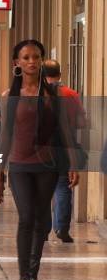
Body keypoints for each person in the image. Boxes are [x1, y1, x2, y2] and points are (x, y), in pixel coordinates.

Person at [0, 39, 79, 280]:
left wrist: (73, 165)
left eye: (36, 57)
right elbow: (5, 135)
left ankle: (33, 274)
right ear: (16, 63)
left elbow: (65, 131)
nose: (32, 62)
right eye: (27, 57)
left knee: (42, 220)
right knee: (27, 217)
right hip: (19, 165)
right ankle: (23, 276)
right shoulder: (10, 97)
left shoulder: (54, 96)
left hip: (48, 166)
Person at [43, 59, 87, 243]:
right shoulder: (71, 94)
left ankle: (42, 230)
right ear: (60, 75)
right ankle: (62, 228)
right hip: (64, 146)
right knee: (63, 187)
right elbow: (81, 123)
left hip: (41, 147)